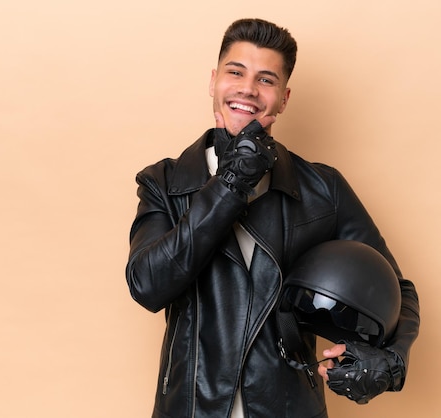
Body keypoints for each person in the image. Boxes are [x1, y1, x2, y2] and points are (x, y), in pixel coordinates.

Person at [125, 18, 420, 418]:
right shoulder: (164, 181)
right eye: (235, 72)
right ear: (214, 81)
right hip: (191, 407)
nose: (248, 89)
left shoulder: (323, 188)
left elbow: (396, 289)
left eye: (266, 80)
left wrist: (390, 359)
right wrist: (231, 184)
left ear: (283, 98)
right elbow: (147, 284)